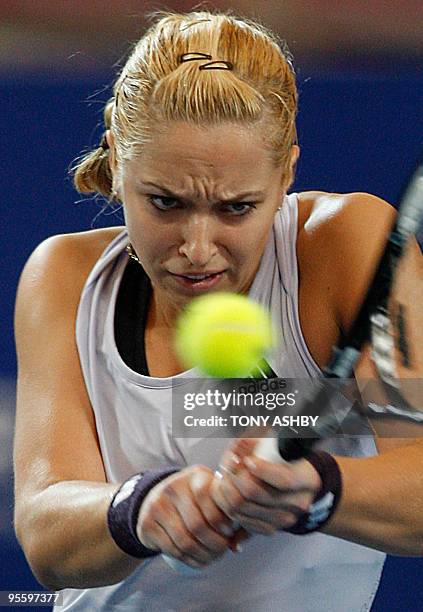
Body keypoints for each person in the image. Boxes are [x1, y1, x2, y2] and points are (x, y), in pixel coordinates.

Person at [13, 9, 423, 612]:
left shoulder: (349, 245)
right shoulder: (65, 278)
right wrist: (141, 508)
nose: (197, 249)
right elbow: (44, 532)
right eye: (164, 202)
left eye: (236, 208)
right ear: (116, 158)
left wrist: (318, 488)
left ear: (286, 172)